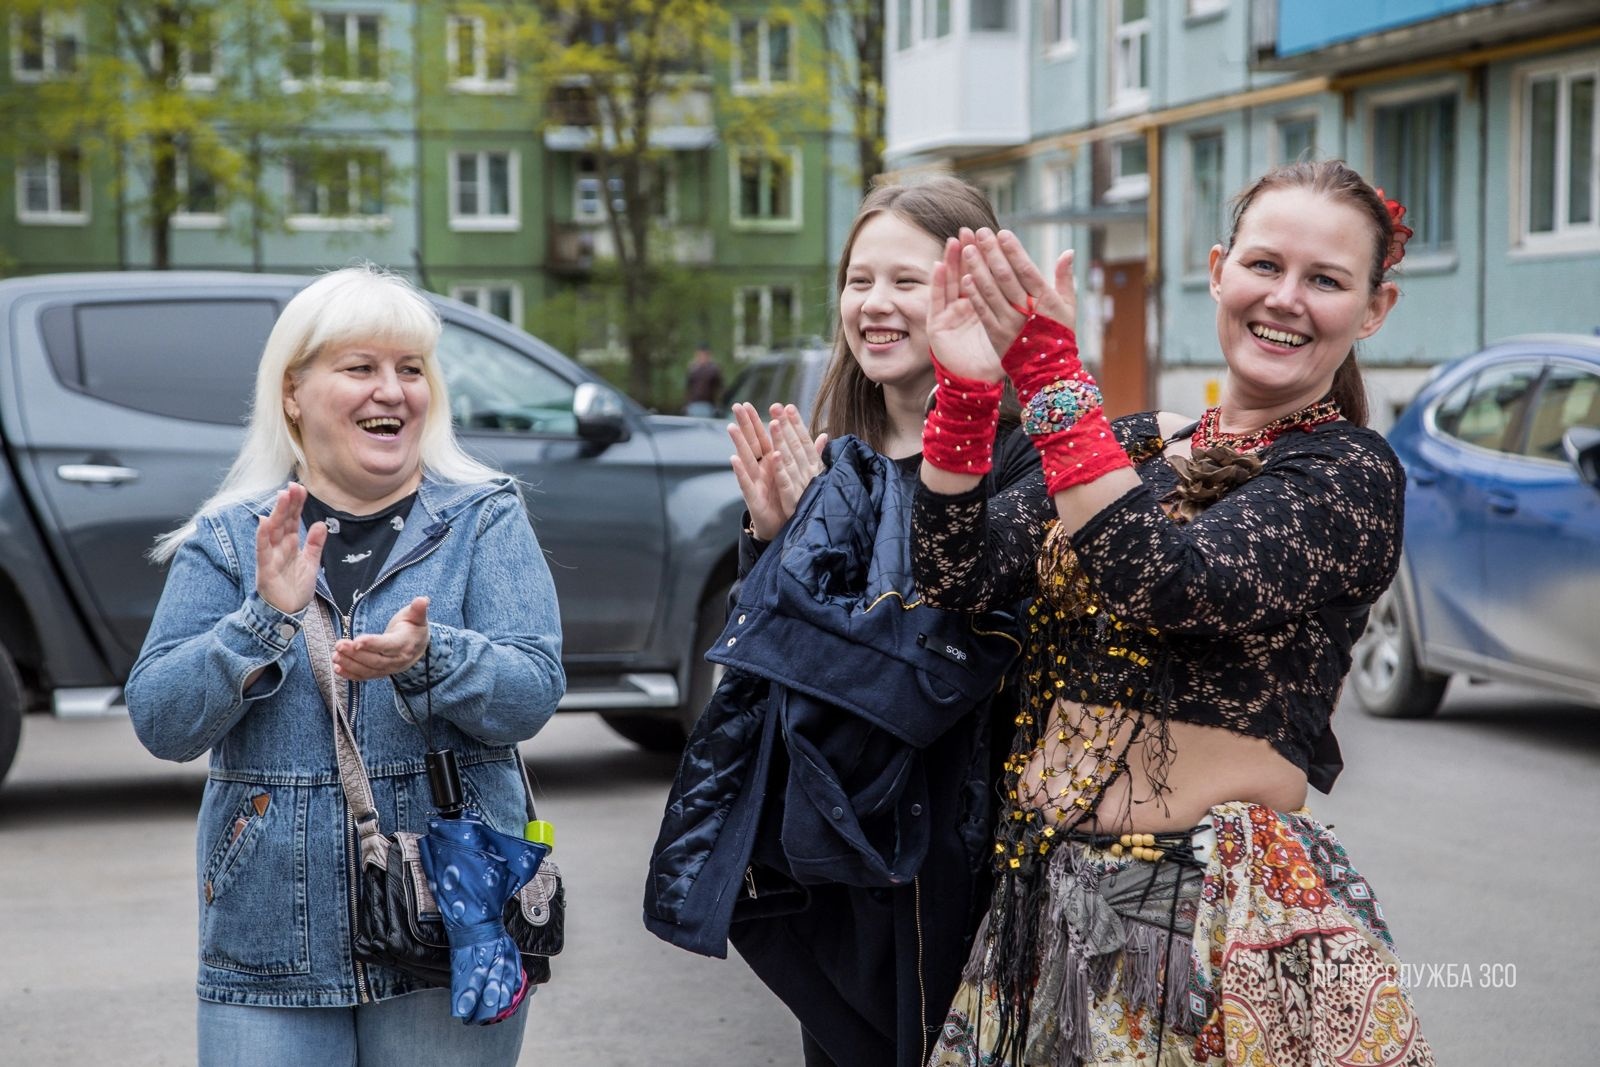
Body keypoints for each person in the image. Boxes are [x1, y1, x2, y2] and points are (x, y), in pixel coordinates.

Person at [912, 160, 1436, 1065]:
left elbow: (1168, 581)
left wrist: (1047, 373)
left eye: (1326, 280)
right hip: (1039, 903)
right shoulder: (1130, 446)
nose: (1287, 299)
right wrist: (966, 391)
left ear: (1375, 309)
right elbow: (956, 572)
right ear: (1218, 268)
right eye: (1265, 266)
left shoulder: (1349, 475)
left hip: (1205, 923)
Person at [643, 177, 1049, 1067]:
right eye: (859, 279)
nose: (875, 304)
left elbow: (923, 662)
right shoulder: (833, 460)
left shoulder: (1024, 463)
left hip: (955, 849)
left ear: (970, 291)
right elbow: (770, 673)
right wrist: (773, 539)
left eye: (907, 281)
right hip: (832, 852)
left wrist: (803, 567)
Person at [126, 265, 565, 1066]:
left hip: (455, 922)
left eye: (410, 369)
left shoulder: (485, 515)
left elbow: (532, 692)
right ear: (293, 391)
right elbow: (159, 718)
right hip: (267, 943)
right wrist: (262, 620)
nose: (391, 391)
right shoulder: (230, 538)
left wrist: (433, 656)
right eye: (360, 368)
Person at [684, 342, 725, 417]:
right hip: (694, 404)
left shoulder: (714, 369)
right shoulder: (692, 369)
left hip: (708, 405)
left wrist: (718, 405)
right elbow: (688, 388)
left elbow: (720, 388)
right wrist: (687, 404)